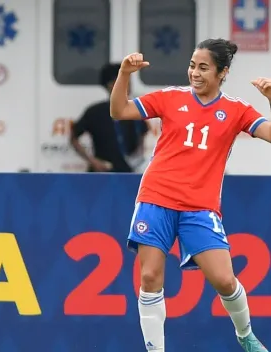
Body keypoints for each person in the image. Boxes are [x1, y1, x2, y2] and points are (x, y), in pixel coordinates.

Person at [110, 38, 270, 352]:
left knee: (225, 280)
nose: (195, 73)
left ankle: (246, 337)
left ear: (222, 73)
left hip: (200, 208)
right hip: (156, 197)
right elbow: (119, 111)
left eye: (204, 68)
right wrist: (124, 74)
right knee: (151, 275)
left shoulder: (237, 110)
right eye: (192, 65)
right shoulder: (170, 98)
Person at [71, 63, 149, 173]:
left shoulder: (136, 111)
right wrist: (93, 161)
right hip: (102, 175)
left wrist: (138, 160)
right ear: (111, 84)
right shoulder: (95, 112)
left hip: (128, 174)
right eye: (125, 80)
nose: (129, 85)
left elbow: (142, 135)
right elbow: (74, 137)